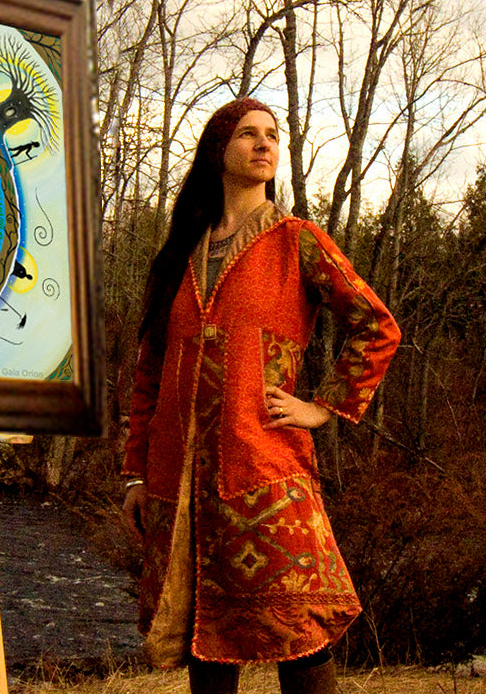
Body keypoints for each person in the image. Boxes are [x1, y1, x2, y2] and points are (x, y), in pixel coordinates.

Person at [121, 97, 400, 694]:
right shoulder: (180, 253)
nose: (265, 143)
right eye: (248, 134)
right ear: (218, 151)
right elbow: (149, 373)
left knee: (297, 632)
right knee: (202, 638)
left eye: (272, 134)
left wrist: (322, 406)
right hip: (178, 483)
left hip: (264, 469)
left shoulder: (296, 241)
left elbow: (377, 325)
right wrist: (136, 474)